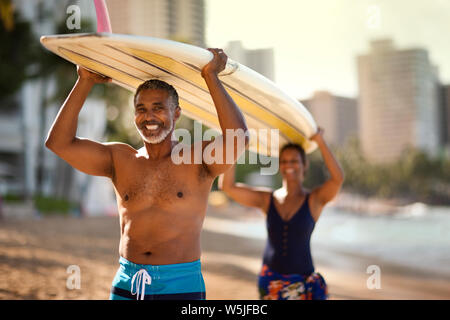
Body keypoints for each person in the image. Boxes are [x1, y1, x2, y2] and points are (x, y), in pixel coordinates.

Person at [45, 48, 248, 300]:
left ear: (176, 114)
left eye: (158, 107)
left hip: (181, 284)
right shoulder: (120, 159)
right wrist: (84, 81)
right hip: (127, 282)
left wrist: (211, 76)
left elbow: (238, 138)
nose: (149, 116)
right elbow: (58, 143)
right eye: (141, 109)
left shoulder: (199, 160)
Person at [219, 128, 344, 300]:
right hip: (270, 283)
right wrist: (235, 145)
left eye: (294, 160)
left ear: (304, 164)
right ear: (279, 165)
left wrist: (320, 141)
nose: (289, 165)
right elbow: (228, 186)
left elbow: (337, 179)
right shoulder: (267, 199)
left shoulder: (314, 200)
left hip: (302, 283)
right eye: (284, 161)